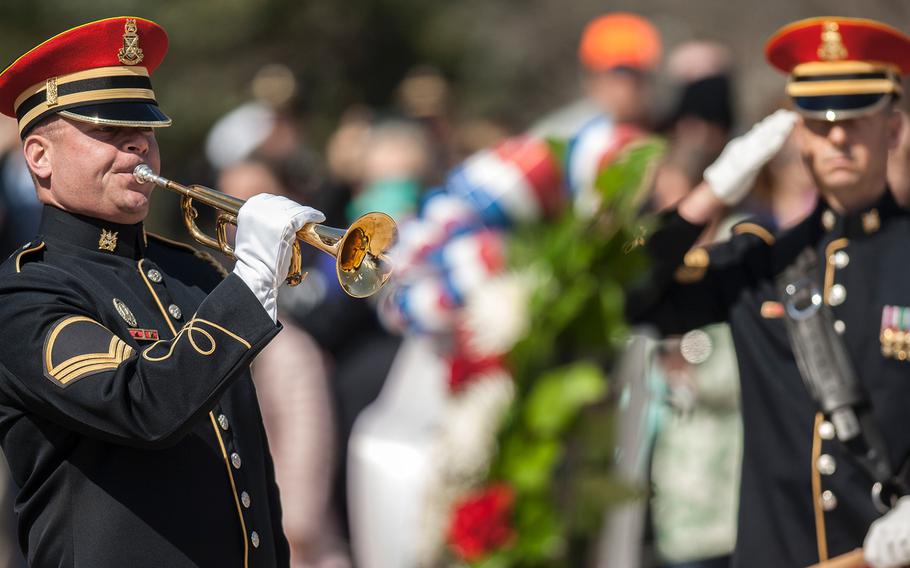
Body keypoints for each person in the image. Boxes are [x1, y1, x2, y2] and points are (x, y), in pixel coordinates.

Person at [0, 17, 325, 567]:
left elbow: (247, 463)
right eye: (107, 130)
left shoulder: (191, 272)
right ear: (39, 157)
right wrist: (250, 284)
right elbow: (140, 406)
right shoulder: (25, 293)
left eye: (145, 128)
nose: (138, 144)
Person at [626, 16, 910, 568]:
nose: (837, 138)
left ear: (893, 129)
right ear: (796, 135)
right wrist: (709, 195)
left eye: (856, 120)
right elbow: (629, 299)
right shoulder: (759, 260)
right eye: (818, 123)